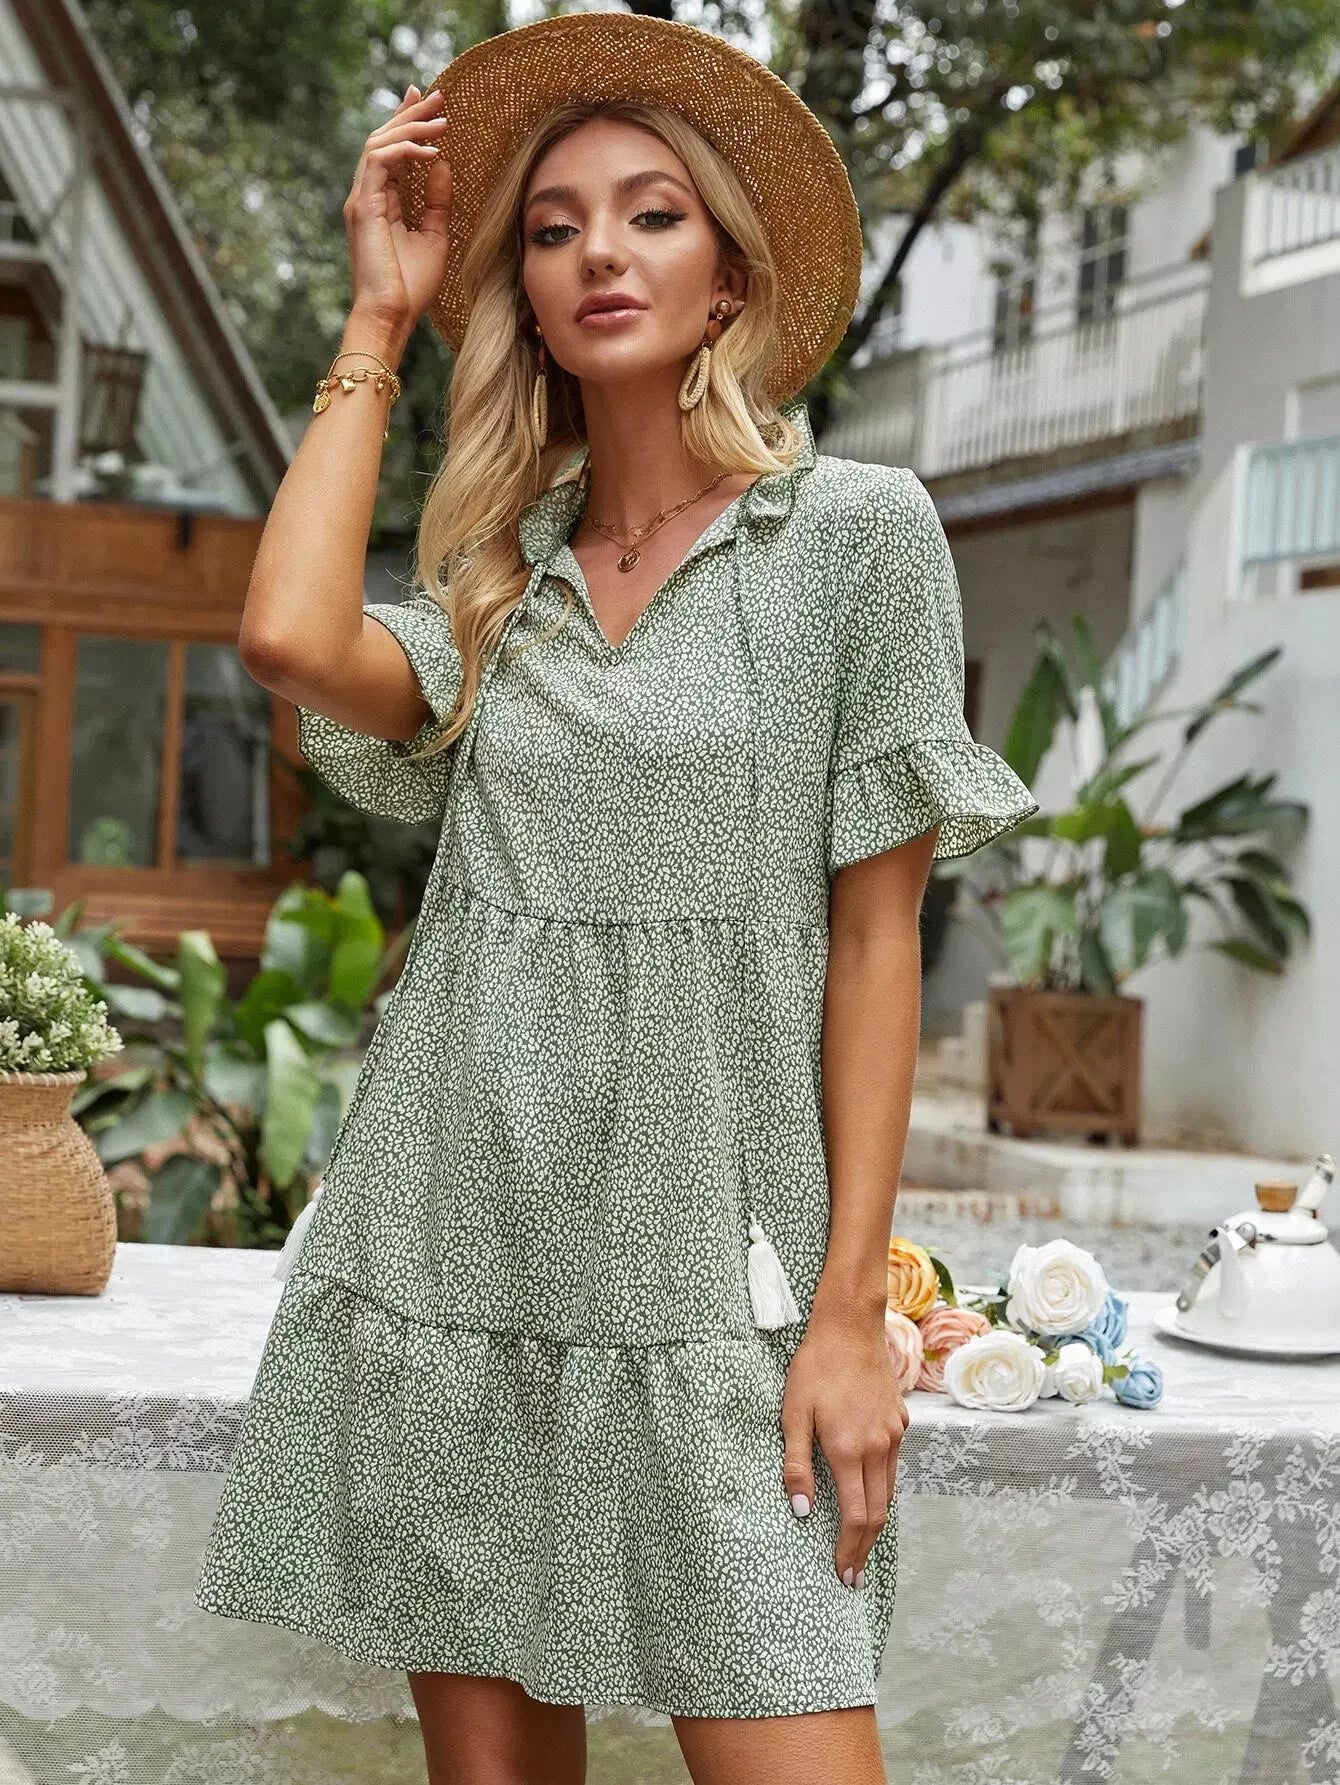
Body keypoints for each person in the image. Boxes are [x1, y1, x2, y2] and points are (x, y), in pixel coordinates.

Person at [193, 14, 1038, 1784]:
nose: (600, 253)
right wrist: (376, 320)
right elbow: (284, 634)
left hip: (719, 1268)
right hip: (461, 1242)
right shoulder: (495, 578)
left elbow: (875, 940)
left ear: (729, 276)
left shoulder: (858, 537)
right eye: (556, 226)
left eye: (653, 214)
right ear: (525, 287)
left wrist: (847, 1310)